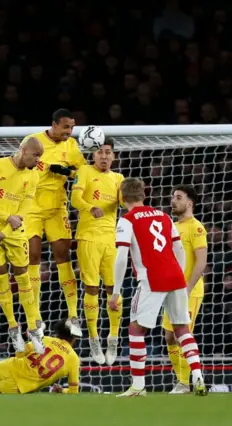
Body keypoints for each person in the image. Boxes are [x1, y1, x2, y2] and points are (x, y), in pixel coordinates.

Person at [109, 178, 207, 397]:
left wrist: (115, 292)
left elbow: (121, 257)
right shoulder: (164, 216)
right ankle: (197, 376)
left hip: (151, 279)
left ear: (122, 198)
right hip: (176, 277)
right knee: (182, 328)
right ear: (144, 195)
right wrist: (178, 276)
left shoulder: (127, 220)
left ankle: (138, 385)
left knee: (136, 328)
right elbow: (179, 249)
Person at [23, 109, 87, 336]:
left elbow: (82, 173)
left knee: (63, 256)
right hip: (30, 206)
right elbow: (20, 165)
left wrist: (66, 172)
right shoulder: (33, 141)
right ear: (54, 125)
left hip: (57, 207)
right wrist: (46, 167)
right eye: (65, 127)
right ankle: (36, 318)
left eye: (72, 128)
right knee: (32, 257)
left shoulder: (71, 146)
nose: (69, 132)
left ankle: (73, 315)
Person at [0, 137, 44, 352]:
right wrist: (7, 218)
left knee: (23, 275)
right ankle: (13, 327)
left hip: (12, 232)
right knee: (0, 275)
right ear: (22, 150)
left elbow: (23, 211)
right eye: (35, 155)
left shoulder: (33, 175)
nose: (38, 160)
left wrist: (5, 230)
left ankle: (33, 328)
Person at [70, 137, 124, 365]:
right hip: (88, 238)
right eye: (100, 152)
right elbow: (74, 198)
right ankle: (93, 338)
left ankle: (113, 337)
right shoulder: (83, 171)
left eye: (108, 152)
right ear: (93, 155)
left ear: (114, 156)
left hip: (111, 240)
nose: (104, 156)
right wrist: (90, 207)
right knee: (91, 287)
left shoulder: (118, 178)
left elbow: (123, 202)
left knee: (114, 288)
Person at [164, 185, 208, 394]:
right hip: (170, 290)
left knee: (183, 334)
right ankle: (182, 381)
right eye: (173, 197)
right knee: (169, 336)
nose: (174, 201)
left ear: (189, 203)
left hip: (189, 291)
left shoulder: (196, 228)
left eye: (178, 198)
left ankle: (186, 382)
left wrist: (187, 288)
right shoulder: (171, 227)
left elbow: (201, 262)